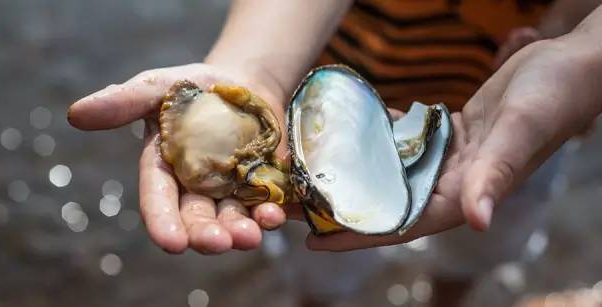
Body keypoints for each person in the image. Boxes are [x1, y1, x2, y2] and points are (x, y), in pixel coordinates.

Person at [67, 1, 602, 305]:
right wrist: (255, 66)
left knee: (476, 235)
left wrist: (579, 55)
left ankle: (447, 297)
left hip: (514, 118)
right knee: (322, 258)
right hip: (312, 130)